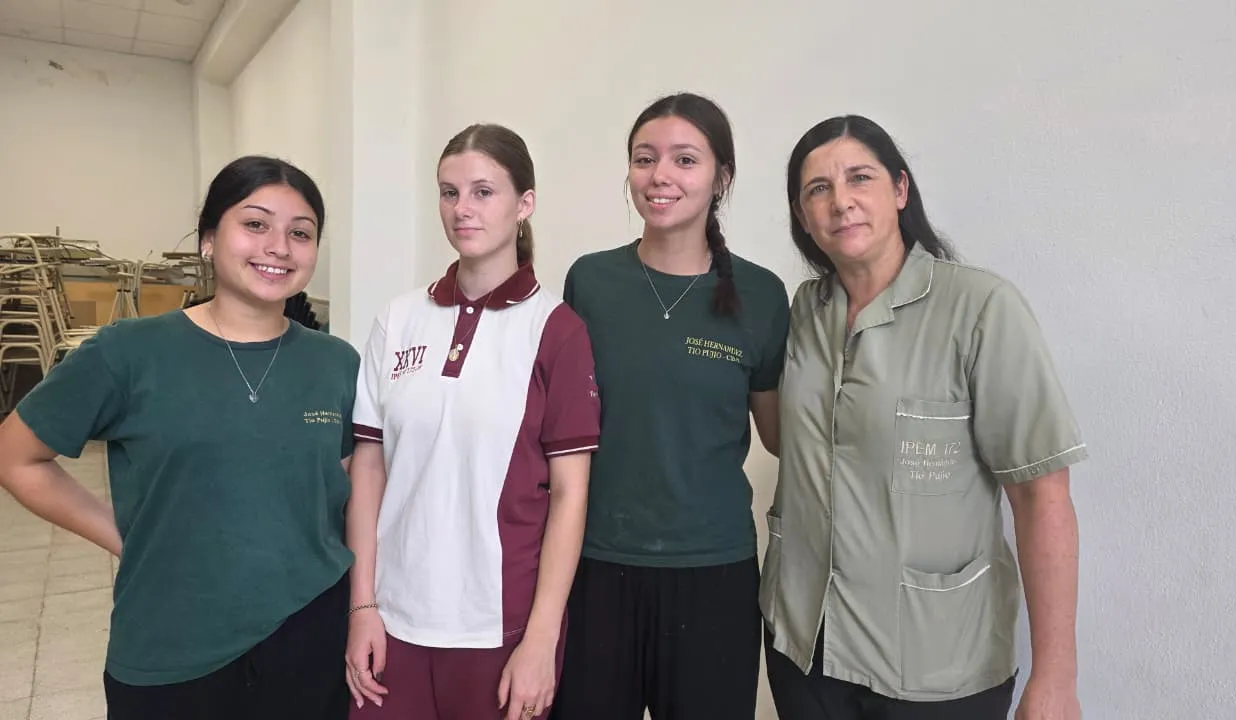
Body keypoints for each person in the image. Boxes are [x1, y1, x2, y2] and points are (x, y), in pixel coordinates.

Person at [0, 156, 359, 719]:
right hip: (171, 641)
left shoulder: (336, 362)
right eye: (256, 224)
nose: (279, 247)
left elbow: (344, 488)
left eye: (301, 233)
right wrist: (125, 537)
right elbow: (16, 456)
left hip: (310, 636)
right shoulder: (129, 352)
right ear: (209, 240)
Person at [762, 114, 1088, 720]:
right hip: (805, 649)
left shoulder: (981, 309)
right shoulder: (804, 311)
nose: (841, 201)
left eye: (860, 177)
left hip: (939, 665)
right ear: (802, 216)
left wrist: (1056, 677)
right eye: (818, 189)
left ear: (900, 189)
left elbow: (1041, 496)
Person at [343, 123, 600, 720]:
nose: (463, 208)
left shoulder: (557, 331)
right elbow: (369, 470)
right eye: (449, 192)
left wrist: (541, 640)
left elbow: (570, 495)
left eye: (484, 192)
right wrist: (362, 607)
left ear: (524, 203)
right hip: (392, 621)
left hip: (500, 627)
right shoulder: (398, 319)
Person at [549, 92, 791, 720]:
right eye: (644, 158)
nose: (660, 175)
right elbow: (561, 426)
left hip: (713, 571)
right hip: (596, 562)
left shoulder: (762, 295)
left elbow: (779, 436)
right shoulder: (590, 282)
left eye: (685, 159)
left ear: (721, 177)